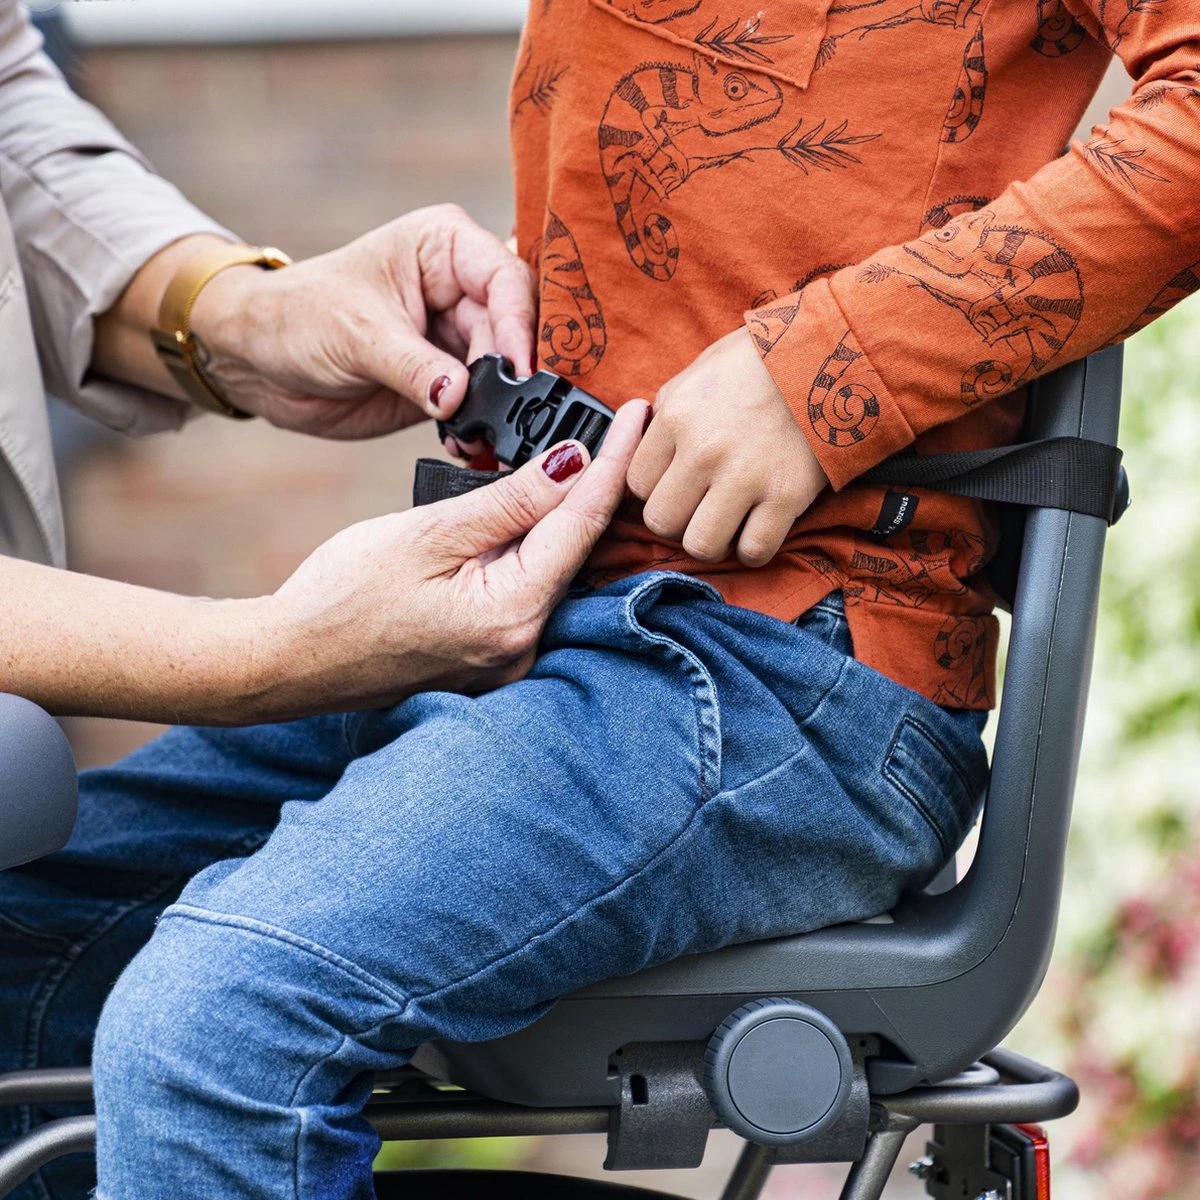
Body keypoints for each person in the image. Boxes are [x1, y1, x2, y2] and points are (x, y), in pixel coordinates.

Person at [5, 2, 1197, 1199]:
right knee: (21, 959)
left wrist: (833, 365)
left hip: (773, 670)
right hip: (530, 633)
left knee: (220, 1031)